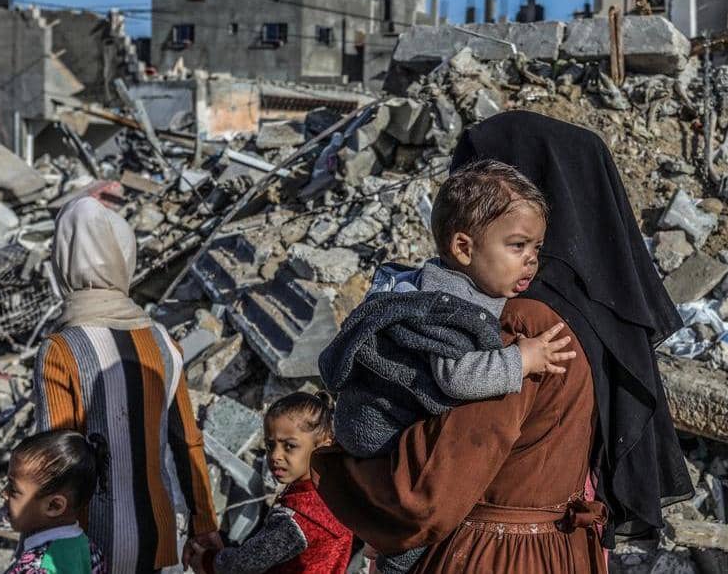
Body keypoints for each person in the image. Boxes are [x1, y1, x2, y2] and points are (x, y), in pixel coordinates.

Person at [313, 111, 692, 573]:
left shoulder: (523, 325)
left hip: (495, 554)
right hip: (562, 551)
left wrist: (352, 485)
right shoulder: (594, 326)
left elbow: (431, 488)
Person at [319, 160, 576, 572]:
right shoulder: (450, 310)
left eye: (536, 249)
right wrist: (521, 359)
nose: (531, 260)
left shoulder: (460, 285)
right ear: (463, 248)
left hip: (374, 430)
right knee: (411, 536)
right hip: (380, 429)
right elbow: (455, 377)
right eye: (517, 246)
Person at [33, 196, 220, 573]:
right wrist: (204, 527)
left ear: (62, 260)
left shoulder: (60, 349)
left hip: (87, 543)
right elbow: (187, 440)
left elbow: (55, 462)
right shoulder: (163, 343)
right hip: (159, 535)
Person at [189, 392, 353, 574]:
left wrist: (208, 562)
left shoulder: (296, 518)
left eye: (289, 446)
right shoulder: (339, 497)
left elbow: (245, 564)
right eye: (270, 446)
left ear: (323, 445)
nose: (275, 456)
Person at [2, 429, 109, 574]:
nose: (3, 493)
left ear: (54, 506)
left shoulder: (35, 568)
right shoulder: (90, 550)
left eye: (13, 489)